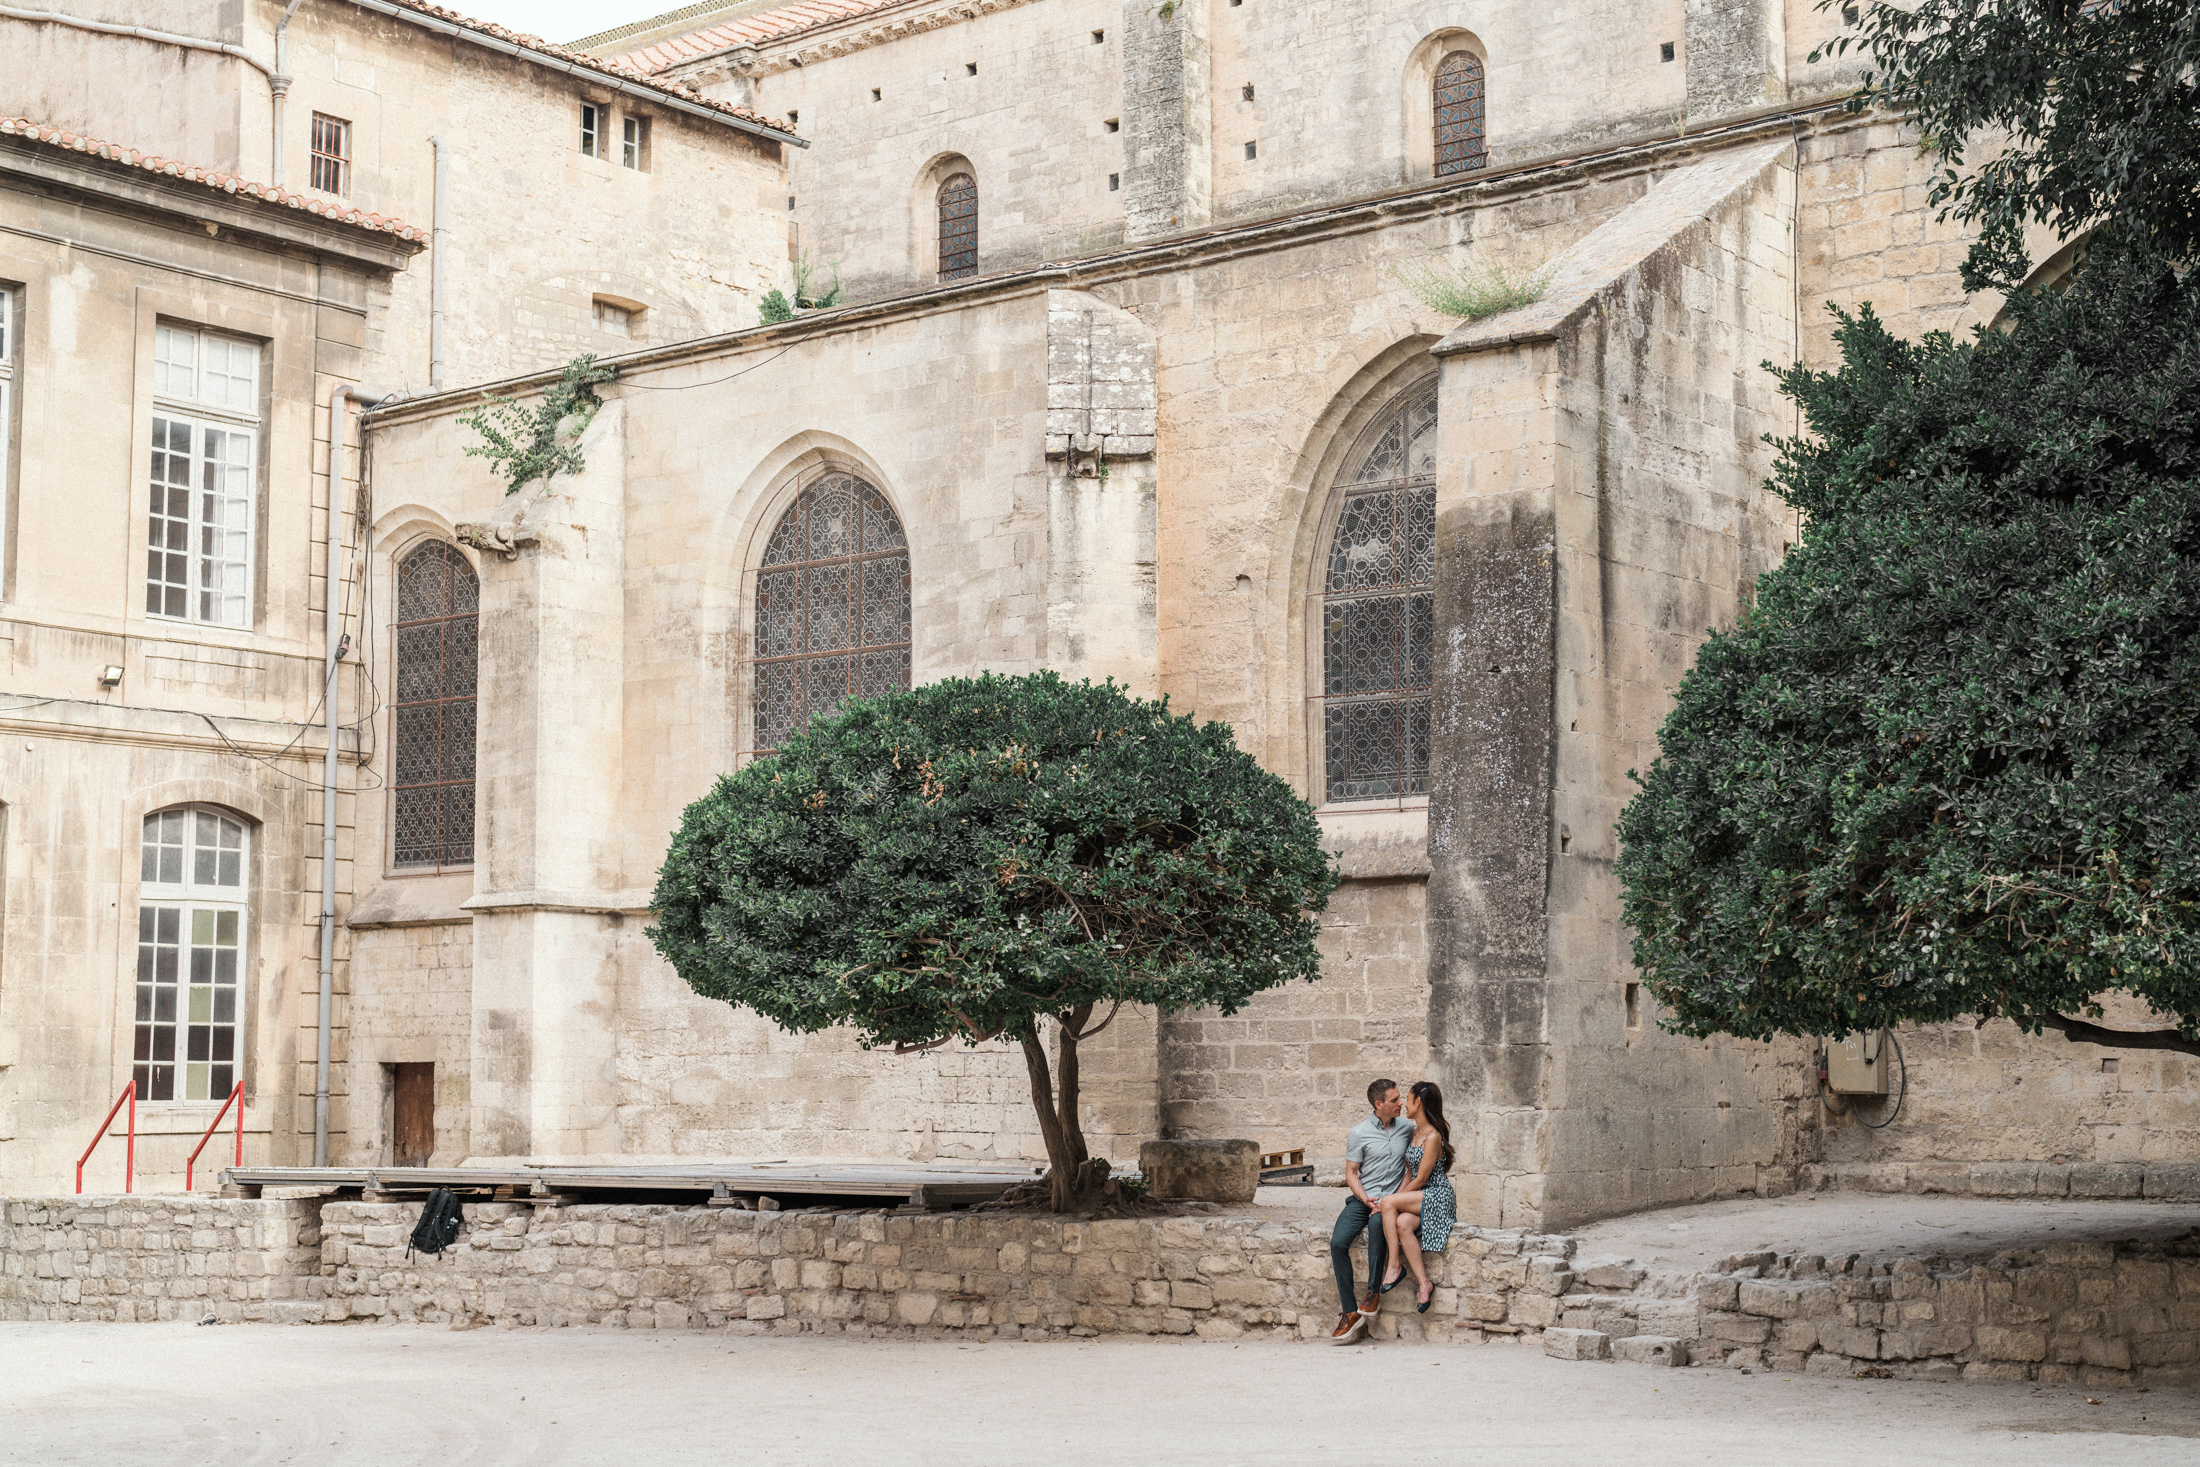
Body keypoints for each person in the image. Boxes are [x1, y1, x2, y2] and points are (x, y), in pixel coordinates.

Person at [1329, 1077, 1416, 1344]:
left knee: (1379, 1225)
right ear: (1378, 1104)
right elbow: (1351, 1172)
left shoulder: (1407, 1129)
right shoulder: (1359, 1132)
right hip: (1363, 1198)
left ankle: (1372, 1292)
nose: (1400, 1103)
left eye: (1400, 1098)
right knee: (1337, 1242)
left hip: (1393, 1200)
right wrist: (1366, 1199)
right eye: (1394, 1100)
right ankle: (1348, 1311)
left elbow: (1411, 1167)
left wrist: (1394, 1199)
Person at [1375, 1080, 1457, 1312]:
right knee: (1401, 1223)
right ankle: (1424, 1283)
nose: (1403, 1104)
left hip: (1438, 1196)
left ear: (1418, 1102)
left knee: (1389, 1202)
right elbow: (1409, 1174)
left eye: (1407, 1099)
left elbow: (1421, 1179)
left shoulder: (1432, 1137)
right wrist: (1392, 1202)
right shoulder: (1415, 1132)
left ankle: (1394, 1266)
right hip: (1421, 1196)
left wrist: (1390, 1202)